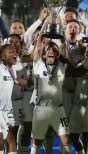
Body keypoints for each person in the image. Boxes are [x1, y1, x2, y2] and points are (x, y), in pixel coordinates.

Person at [30, 18, 71, 154]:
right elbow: (38, 42)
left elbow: (65, 45)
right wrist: (45, 25)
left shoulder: (62, 65)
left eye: (54, 50)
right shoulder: (38, 63)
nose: (51, 51)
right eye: (48, 50)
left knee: (66, 140)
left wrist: (62, 27)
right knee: (36, 141)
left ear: (58, 54)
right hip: (40, 108)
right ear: (44, 53)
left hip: (58, 109)